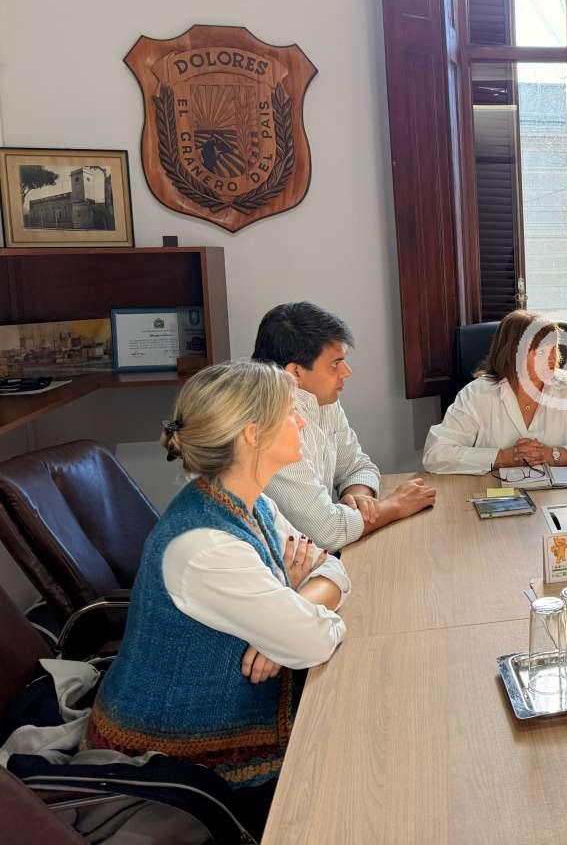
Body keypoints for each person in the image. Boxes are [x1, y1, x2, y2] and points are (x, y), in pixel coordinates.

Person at [84, 361, 350, 830]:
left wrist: (291, 609)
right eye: (290, 413)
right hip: (183, 771)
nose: (302, 422)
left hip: (231, 731)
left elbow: (334, 568)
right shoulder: (206, 547)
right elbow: (315, 640)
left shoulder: (253, 503)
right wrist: (291, 612)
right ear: (253, 435)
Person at [253, 302, 435, 550]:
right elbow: (326, 532)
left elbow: (358, 466)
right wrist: (395, 505)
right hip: (283, 566)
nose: (347, 372)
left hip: (318, 557)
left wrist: (359, 497)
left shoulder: (322, 400)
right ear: (295, 372)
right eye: (335, 363)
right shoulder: (270, 423)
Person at [423, 309, 567, 473]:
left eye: (554, 349)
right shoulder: (477, 394)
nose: (552, 360)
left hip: (560, 498)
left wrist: (554, 454)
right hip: (496, 496)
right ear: (512, 355)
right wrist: (503, 457)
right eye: (541, 352)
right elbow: (436, 454)